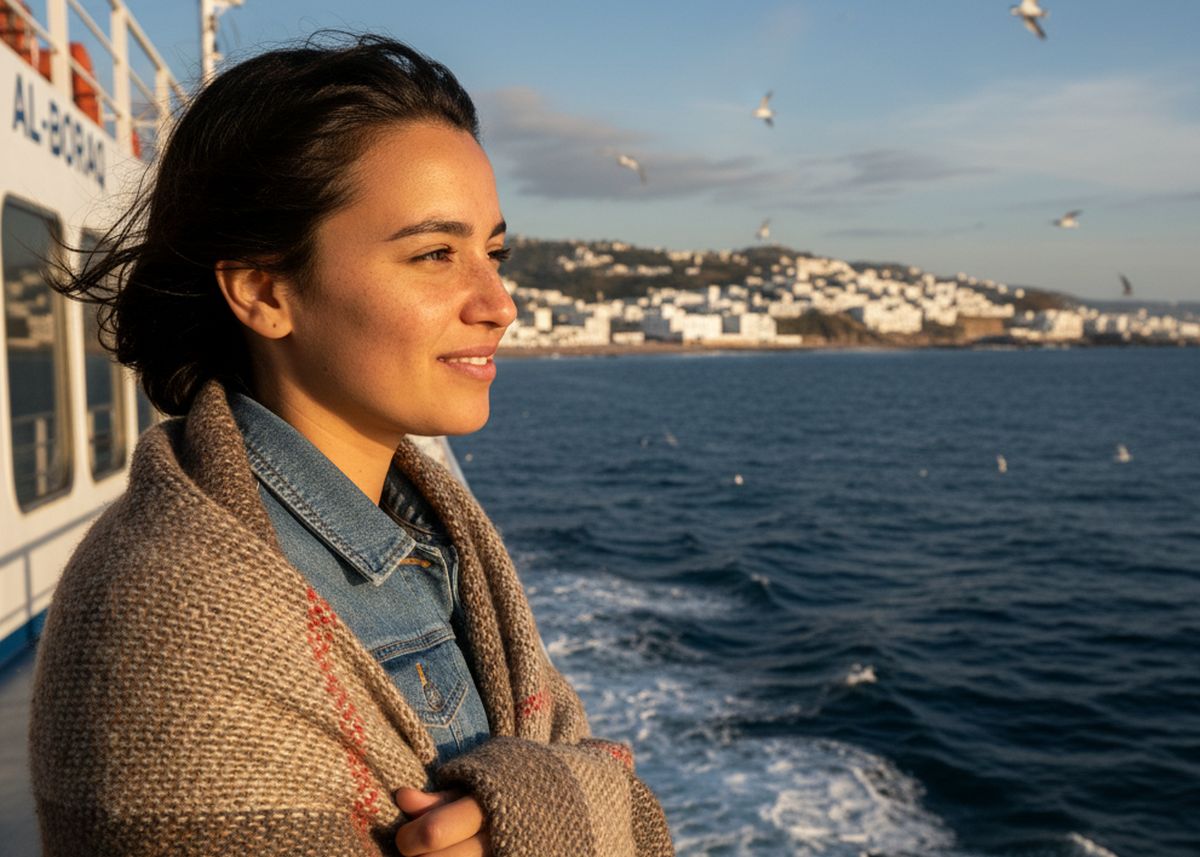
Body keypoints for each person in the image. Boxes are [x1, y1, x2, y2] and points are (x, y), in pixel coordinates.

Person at [29, 34, 674, 857]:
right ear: (265, 290)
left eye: (494, 251)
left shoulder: (437, 541)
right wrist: (572, 804)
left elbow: (593, 778)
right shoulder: (168, 624)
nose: (499, 301)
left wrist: (547, 806)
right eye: (436, 254)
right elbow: (606, 793)